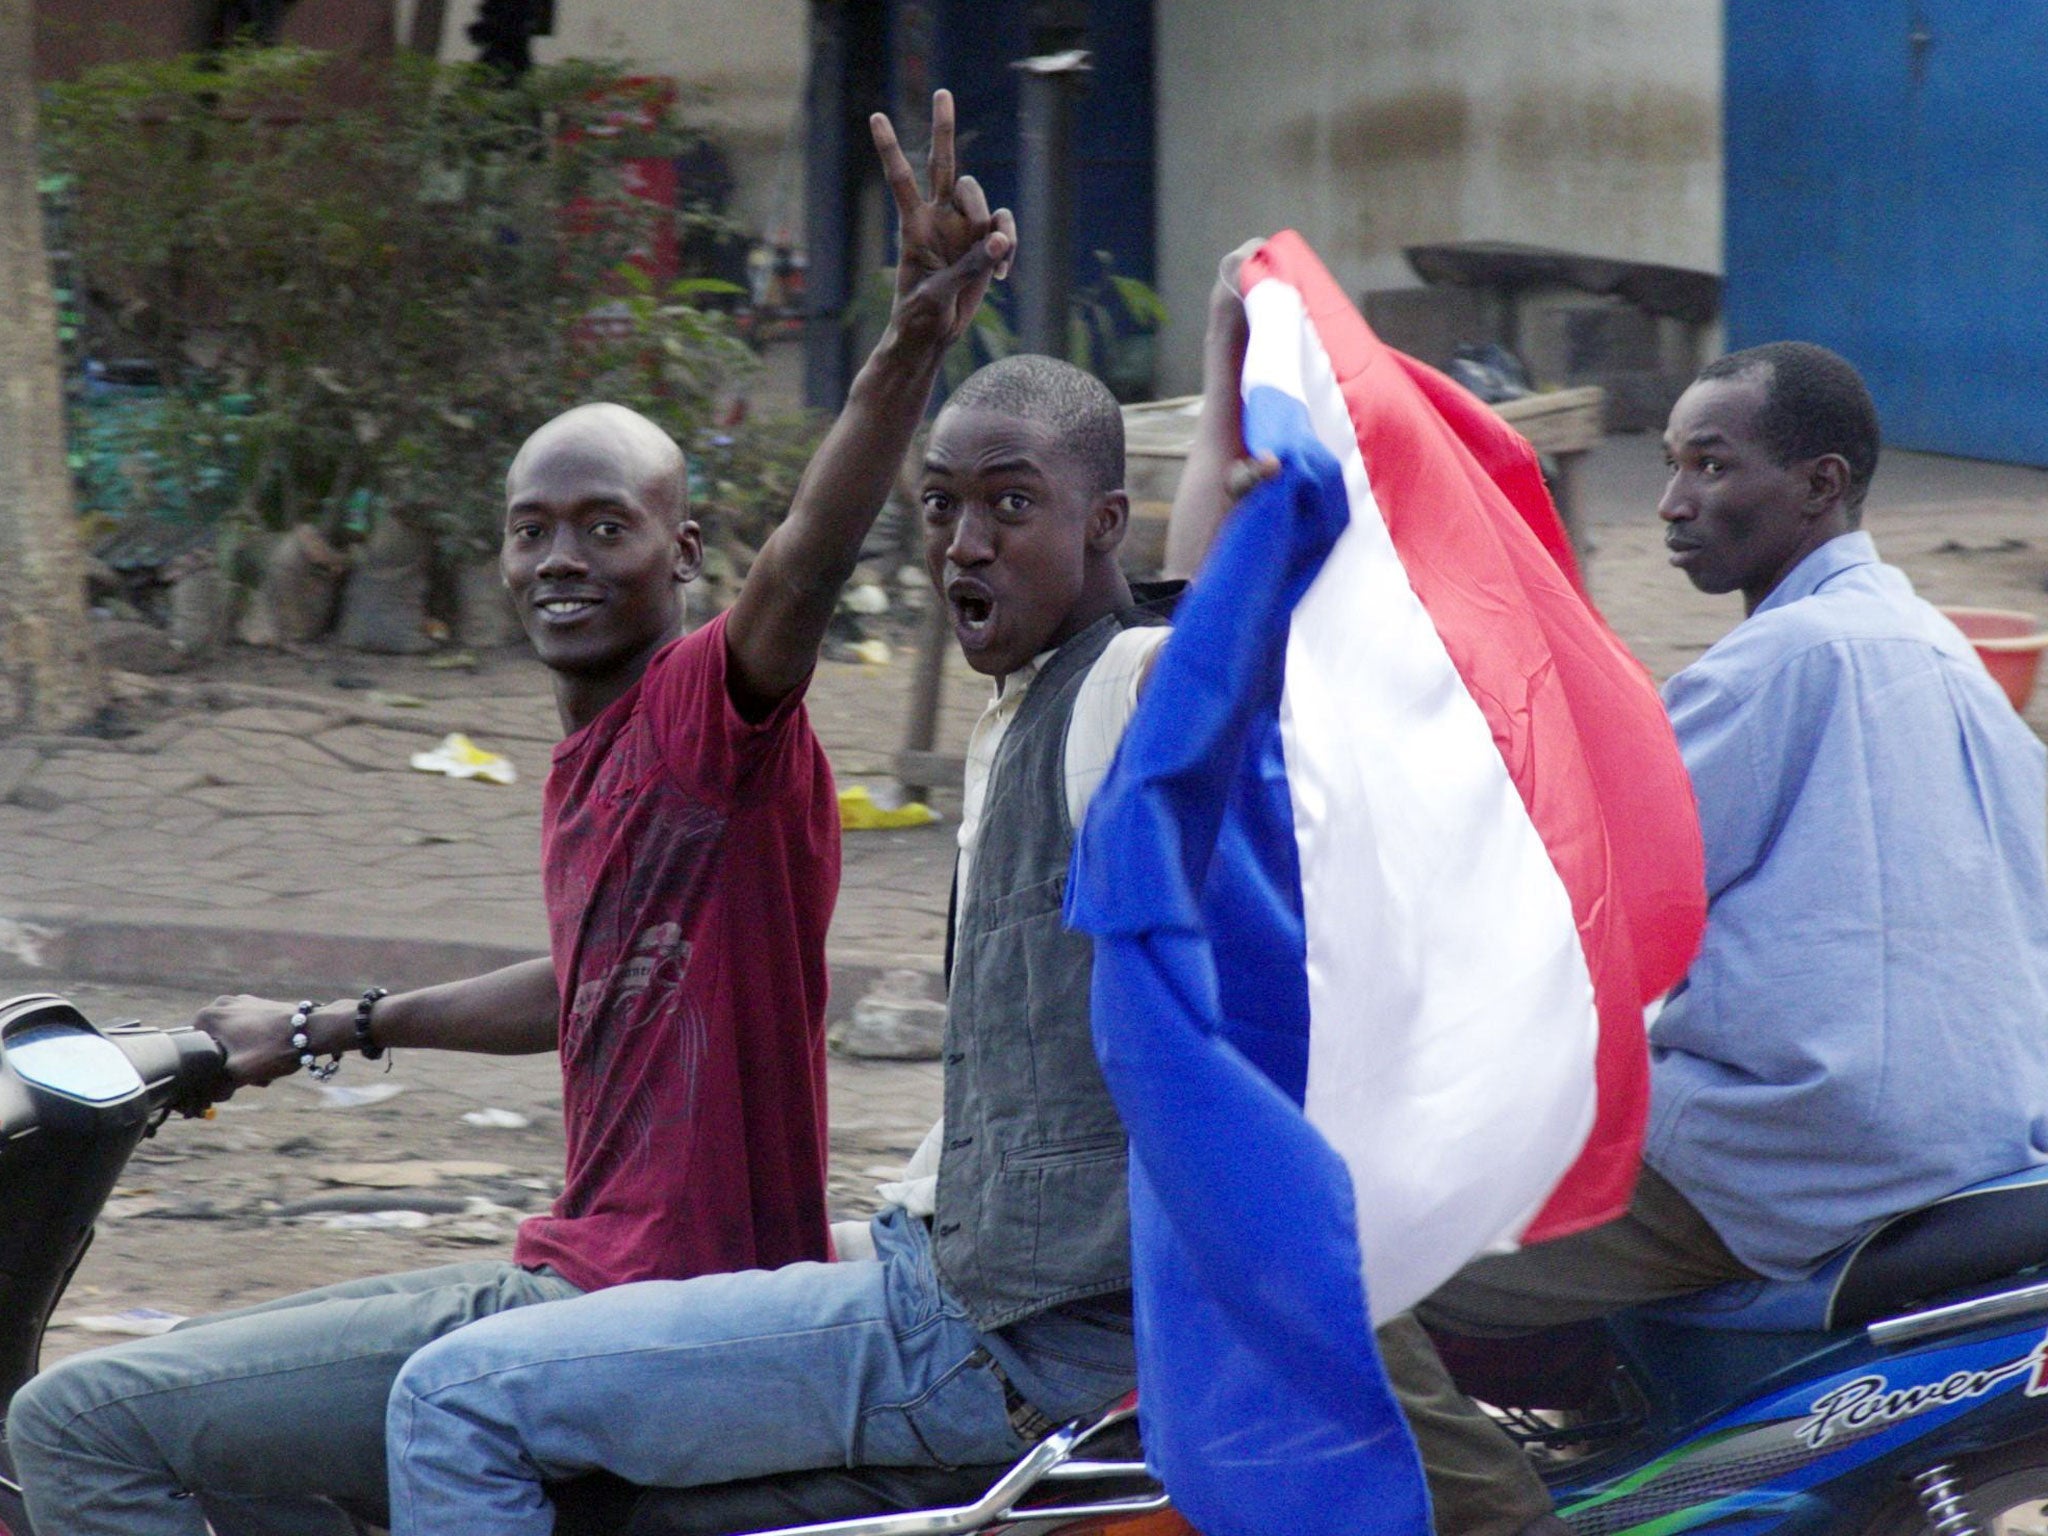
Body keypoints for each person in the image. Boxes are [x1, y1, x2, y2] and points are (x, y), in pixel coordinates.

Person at [7, 90, 1014, 1536]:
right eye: (532, 529)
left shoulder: (699, 716)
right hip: (601, 1276)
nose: (560, 558)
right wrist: (329, 1029)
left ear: (684, 550)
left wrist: (913, 333)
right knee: (253, 1450)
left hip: (620, 1298)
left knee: (83, 1425)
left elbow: (803, 563)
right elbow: (590, 983)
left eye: (606, 526)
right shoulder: (600, 759)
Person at [369, 260, 1282, 1532]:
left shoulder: (1120, 684)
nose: (965, 542)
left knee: (452, 1402)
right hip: (963, 1273)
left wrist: (1230, 394)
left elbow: (1199, 654)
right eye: (942, 507)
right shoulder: (1021, 709)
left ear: (1101, 527)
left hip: (997, 1340)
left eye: (1010, 506)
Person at [1377, 340, 2048, 1536]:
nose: (1672, 501)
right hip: (1983, 1135)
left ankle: (1498, 1522)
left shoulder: (1770, 669)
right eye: (1671, 464)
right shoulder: (1944, 656)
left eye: (1707, 465)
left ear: (1818, 483)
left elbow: (1581, 906)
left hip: (1793, 1147)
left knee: (1326, 1255)